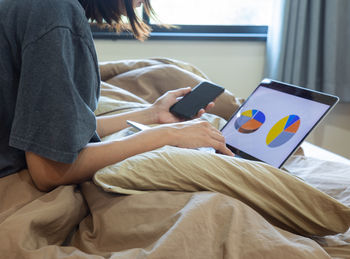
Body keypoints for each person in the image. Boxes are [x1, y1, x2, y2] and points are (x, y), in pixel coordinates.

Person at [0, 0, 233, 192]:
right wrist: (167, 136)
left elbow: (59, 133)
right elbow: (50, 170)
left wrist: (152, 114)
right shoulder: (54, 11)